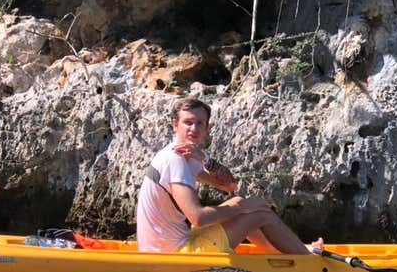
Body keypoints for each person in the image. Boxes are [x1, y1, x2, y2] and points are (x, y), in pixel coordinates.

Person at [135, 97, 319, 254]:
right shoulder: (174, 160)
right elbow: (198, 218)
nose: (194, 129)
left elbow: (229, 186)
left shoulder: (188, 156)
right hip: (174, 253)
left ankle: (276, 252)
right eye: (188, 122)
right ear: (175, 125)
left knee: (237, 200)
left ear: (207, 129)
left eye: (200, 123)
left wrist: (206, 159)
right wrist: (244, 208)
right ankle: (308, 260)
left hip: (169, 244)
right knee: (261, 214)